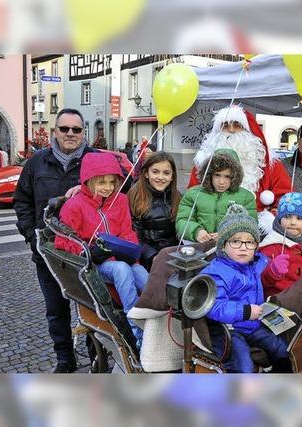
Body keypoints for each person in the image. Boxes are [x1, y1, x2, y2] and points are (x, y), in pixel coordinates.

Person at [14, 108, 96, 373]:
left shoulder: (94, 161)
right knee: (55, 310)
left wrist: (85, 190)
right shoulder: (37, 162)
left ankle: (97, 356)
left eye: (76, 129)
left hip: (86, 252)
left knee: (93, 307)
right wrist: (30, 235)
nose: (70, 134)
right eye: (65, 129)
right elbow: (22, 201)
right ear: (55, 131)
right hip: (47, 252)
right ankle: (65, 359)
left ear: (84, 132)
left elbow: (118, 193)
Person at [54, 152, 148, 347]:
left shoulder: (120, 200)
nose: (108, 188)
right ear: (88, 181)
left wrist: (130, 253)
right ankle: (135, 328)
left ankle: (155, 319)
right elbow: (63, 241)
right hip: (97, 263)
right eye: (101, 182)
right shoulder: (75, 205)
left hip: (119, 256)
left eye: (112, 182)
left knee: (143, 275)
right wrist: (87, 253)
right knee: (121, 269)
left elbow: (127, 231)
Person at [201, 204, 290, 373]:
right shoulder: (216, 272)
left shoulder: (256, 264)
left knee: (282, 350)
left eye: (250, 242)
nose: (243, 247)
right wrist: (246, 311)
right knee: (243, 365)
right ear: (223, 245)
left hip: (253, 324)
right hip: (227, 328)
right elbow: (213, 306)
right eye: (235, 241)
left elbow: (267, 280)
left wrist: (274, 271)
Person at [188, 105, 292, 210]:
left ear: (249, 130)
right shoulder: (203, 162)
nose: (231, 130)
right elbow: (191, 199)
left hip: (255, 222)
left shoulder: (270, 164)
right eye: (225, 125)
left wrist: (270, 220)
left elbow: (286, 198)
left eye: (237, 125)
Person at [176, 149, 256, 243]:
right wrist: (196, 231)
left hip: (232, 248)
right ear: (209, 174)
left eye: (227, 176)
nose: (221, 182)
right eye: (217, 175)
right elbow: (182, 220)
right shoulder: (193, 194)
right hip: (199, 246)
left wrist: (228, 234)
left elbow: (251, 224)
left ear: (235, 177)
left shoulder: (246, 197)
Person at [128, 151, 181, 271]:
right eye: (155, 172)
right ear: (146, 173)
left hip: (174, 257)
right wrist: (152, 256)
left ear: (172, 176)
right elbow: (134, 237)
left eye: (166, 173)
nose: (161, 177)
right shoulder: (135, 196)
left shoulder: (178, 197)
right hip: (147, 260)